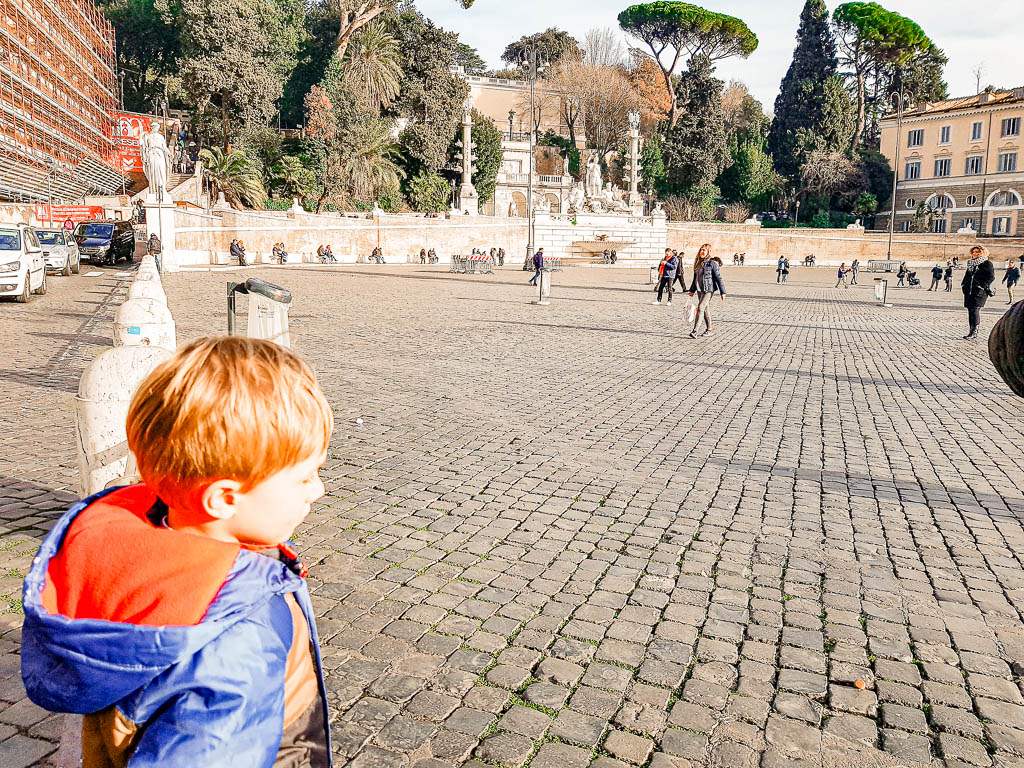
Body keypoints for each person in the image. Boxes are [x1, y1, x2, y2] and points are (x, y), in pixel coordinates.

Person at [20, 337, 333, 767]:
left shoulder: (115, 547)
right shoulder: (235, 639)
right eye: (305, 477)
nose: (318, 490)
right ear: (223, 498)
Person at [688, 244, 726, 337]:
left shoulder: (713, 263)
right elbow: (695, 278)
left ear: (708, 252)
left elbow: (718, 278)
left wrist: (723, 292)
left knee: (701, 307)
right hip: (699, 289)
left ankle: (695, 331)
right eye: (701, 250)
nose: (702, 252)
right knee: (705, 309)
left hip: (708, 289)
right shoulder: (698, 263)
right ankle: (709, 329)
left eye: (704, 250)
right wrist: (692, 289)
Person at [962, 245, 996, 339]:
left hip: (979, 291)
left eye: (977, 252)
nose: (975, 254)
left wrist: (982, 286)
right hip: (969, 290)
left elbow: (991, 277)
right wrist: (964, 285)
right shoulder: (970, 263)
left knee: (975, 309)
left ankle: (974, 332)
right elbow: (967, 276)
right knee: (970, 310)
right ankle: (971, 331)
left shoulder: (987, 263)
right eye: (973, 252)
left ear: (983, 253)